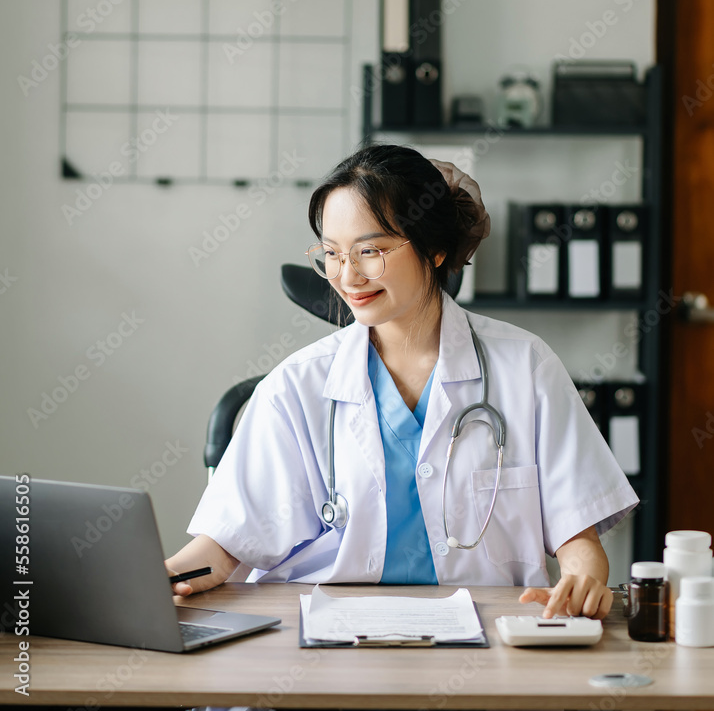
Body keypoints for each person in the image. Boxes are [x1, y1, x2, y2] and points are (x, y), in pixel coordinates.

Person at [166, 144, 638, 619]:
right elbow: (225, 545)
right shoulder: (295, 385)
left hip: (489, 635)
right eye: (331, 253)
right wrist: (166, 577)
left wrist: (584, 580)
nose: (347, 276)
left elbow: (579, 535)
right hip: (326, 639)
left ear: (434, 249)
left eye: (370, 251)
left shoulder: (526, 367)